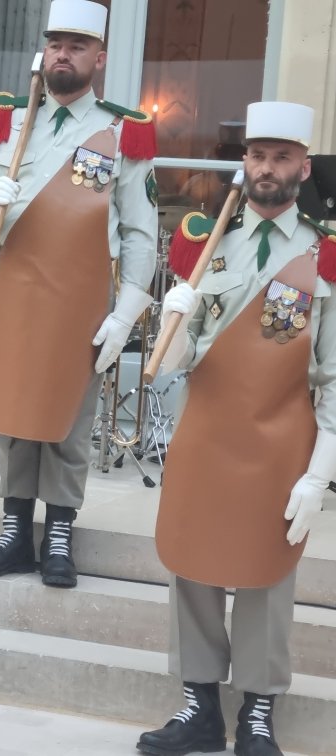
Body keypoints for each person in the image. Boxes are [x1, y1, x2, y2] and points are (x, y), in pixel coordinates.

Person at [137, 101, 335, 756]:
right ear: (243, 162)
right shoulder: (214, 246)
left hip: (280, 440)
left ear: (303, 169)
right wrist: (176, 319)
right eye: (257, 155)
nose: (267, 169)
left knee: (265, 574)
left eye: (282, 158)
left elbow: (331, 377)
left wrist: (319, 473)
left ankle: (256, 712)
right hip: (207, 433)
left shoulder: (322, 259)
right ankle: (198, 706)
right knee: (191, 562)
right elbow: (186, 352)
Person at [0, 0, 158, 587]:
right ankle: (16, 528)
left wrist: (125, 315)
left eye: (76, 46)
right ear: (43, 52)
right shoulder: (12, 123)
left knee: (69, 416)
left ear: (98, 57)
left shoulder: (122, 134)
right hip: (17, 283)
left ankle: (60, 531)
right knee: (13, 408)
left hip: (80, 293)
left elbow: (140, 235)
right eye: (55, 44)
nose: (62, 55)